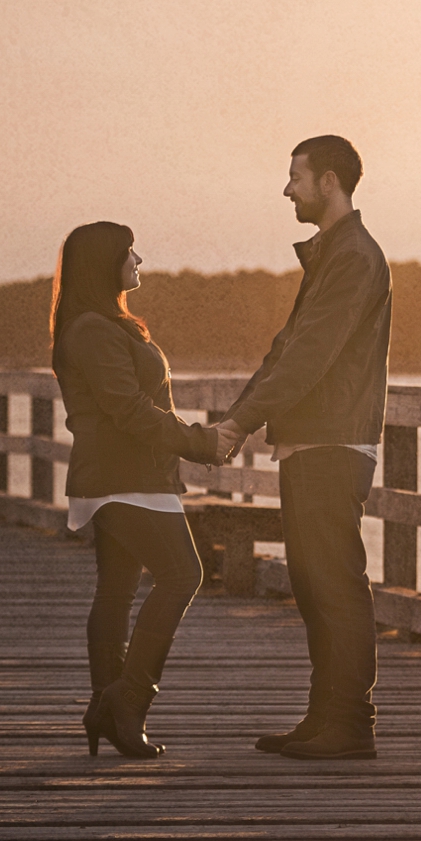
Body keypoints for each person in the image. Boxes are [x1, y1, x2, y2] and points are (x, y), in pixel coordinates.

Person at [215, 135, 392, 760]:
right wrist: (239, 417)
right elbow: (284, 351)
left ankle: (351, 723)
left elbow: (310, 356)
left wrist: (238, 425)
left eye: (296, 176)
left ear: (330, 182)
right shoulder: (331, 256)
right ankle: (325, 718)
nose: (287, 188)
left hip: (334, 438)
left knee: (335, 582)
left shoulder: (354, 258)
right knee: (314, 583)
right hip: (313, 438)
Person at [51, 221, 219, 758]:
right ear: (105, 263)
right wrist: (200, 443)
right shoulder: (93, 330)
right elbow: (128, 410)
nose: (138, 258)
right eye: (129, 252)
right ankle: (127, 702)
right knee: (183, 574)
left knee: (118, 591)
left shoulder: (96, 324)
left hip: (122, 476)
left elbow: (133, 407)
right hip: (127, 478)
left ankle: (110, 708)